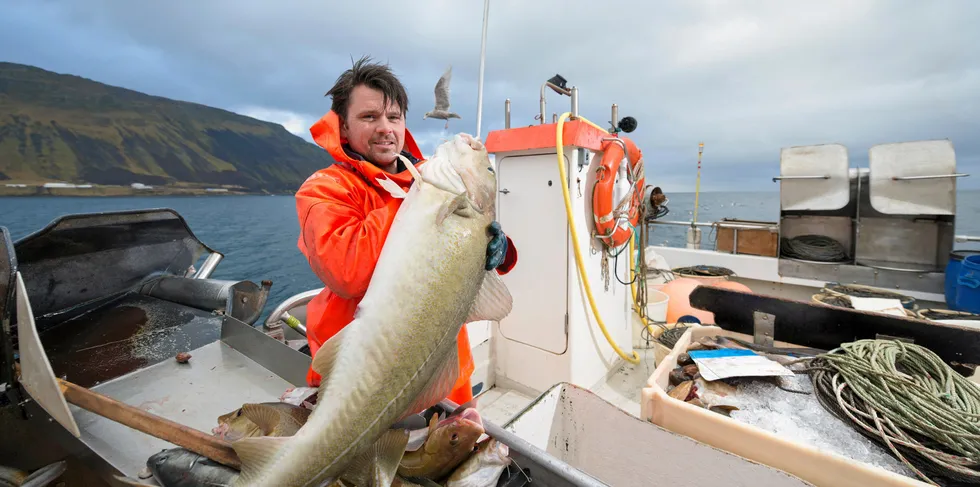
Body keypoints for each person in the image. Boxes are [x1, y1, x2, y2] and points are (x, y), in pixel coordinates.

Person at [294, 56, 518, 406]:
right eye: (369, 117)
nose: (385, 127)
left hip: (447, 371)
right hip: (361, 379)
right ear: (343, 127)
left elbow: (467, 244)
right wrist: (427, 197)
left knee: (461, 451)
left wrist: (495, 246)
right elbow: (347, 273)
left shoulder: (431, 178)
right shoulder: (325, 189)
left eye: (394, 117)